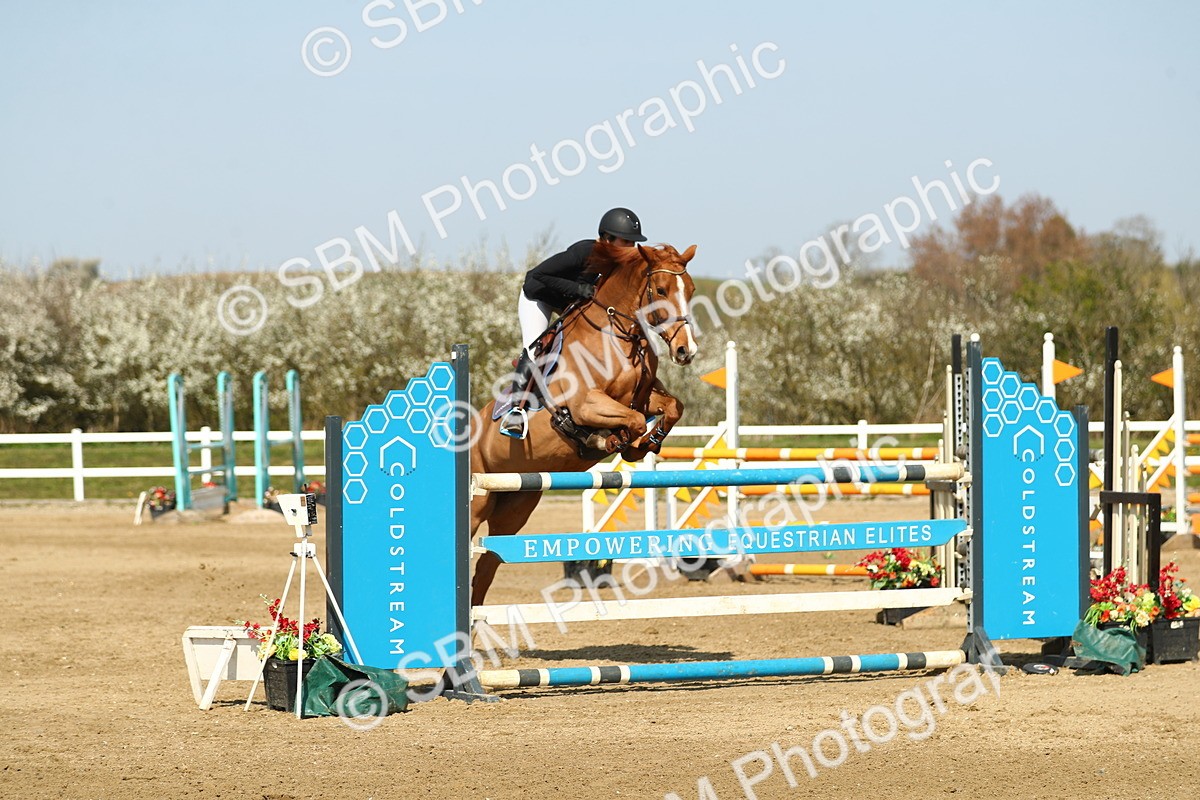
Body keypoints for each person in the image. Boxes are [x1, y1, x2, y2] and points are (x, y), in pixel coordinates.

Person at [500, 207, 647, 439]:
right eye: (626, 241)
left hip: (569, 303)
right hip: (539, 298)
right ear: (608, 238)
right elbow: (535, 276)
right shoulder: (584, 252)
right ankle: (515, 411)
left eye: (633, 242)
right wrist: (578, 288)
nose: (632, 247)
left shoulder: (621, 264)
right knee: (535, 348)